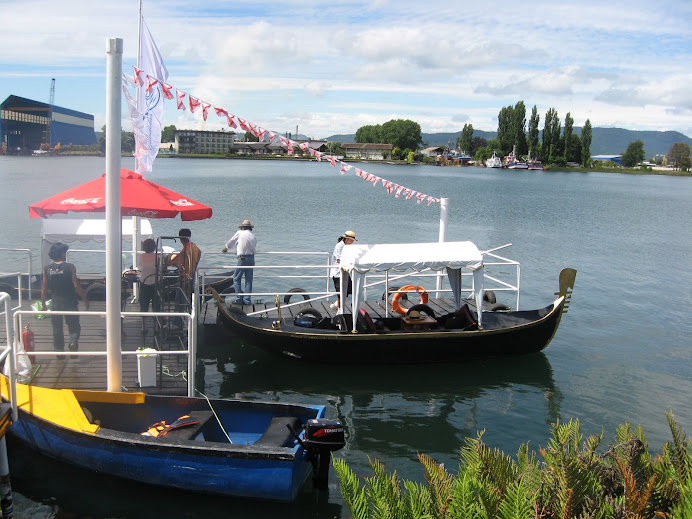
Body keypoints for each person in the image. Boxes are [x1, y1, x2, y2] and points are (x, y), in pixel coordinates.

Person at [41, 242, 89, 356]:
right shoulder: (70, 267)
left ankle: (59, 351)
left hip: (55, 302)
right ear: (62, 253)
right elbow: (76, 285)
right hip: (70, 301)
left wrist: (43, 304)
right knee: (74, 326)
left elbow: (44, 288)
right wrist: (85, 299)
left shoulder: (47, 269)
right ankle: (73, 342)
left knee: (57, 328)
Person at [166, 229, 201, 328]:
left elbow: (177, 259)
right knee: (185, 300)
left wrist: (165, 264)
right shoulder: (193, 246)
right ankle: (180, 319)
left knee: (179, 301)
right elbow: (200, 253)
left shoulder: (186, 249)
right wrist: (194, 267)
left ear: (181, 238)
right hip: (191, 276)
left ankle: (177, 322)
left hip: (185, 278)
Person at [222, 219, 257, 305]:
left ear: (242, 227)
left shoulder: (240, 233)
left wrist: (226, 248)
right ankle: (247, 300)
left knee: (236, 279)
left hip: (242, 259)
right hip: (251, 259)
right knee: (249, 280)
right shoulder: (253, 236)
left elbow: (232, 241)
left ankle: (239, 299)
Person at [329, 230, 357, 310]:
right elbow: (339, 260)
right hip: (337, 273)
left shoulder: (347, 246)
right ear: (346, 239)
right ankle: (339, 310)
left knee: (350, 289)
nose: (352, 242)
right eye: (351, 240)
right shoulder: (339, 246)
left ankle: (336, 305)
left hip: (345, 272)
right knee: (341, 293)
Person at [138, 238, 159, 333]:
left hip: (144, 283)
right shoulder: (158, 257)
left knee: (144, 304)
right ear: (154, 247)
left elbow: (140, 267)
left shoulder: (141, 257)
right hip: (156, 283)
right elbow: (162, 268)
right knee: (156, 304)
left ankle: (143, 326)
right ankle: (156, 326)